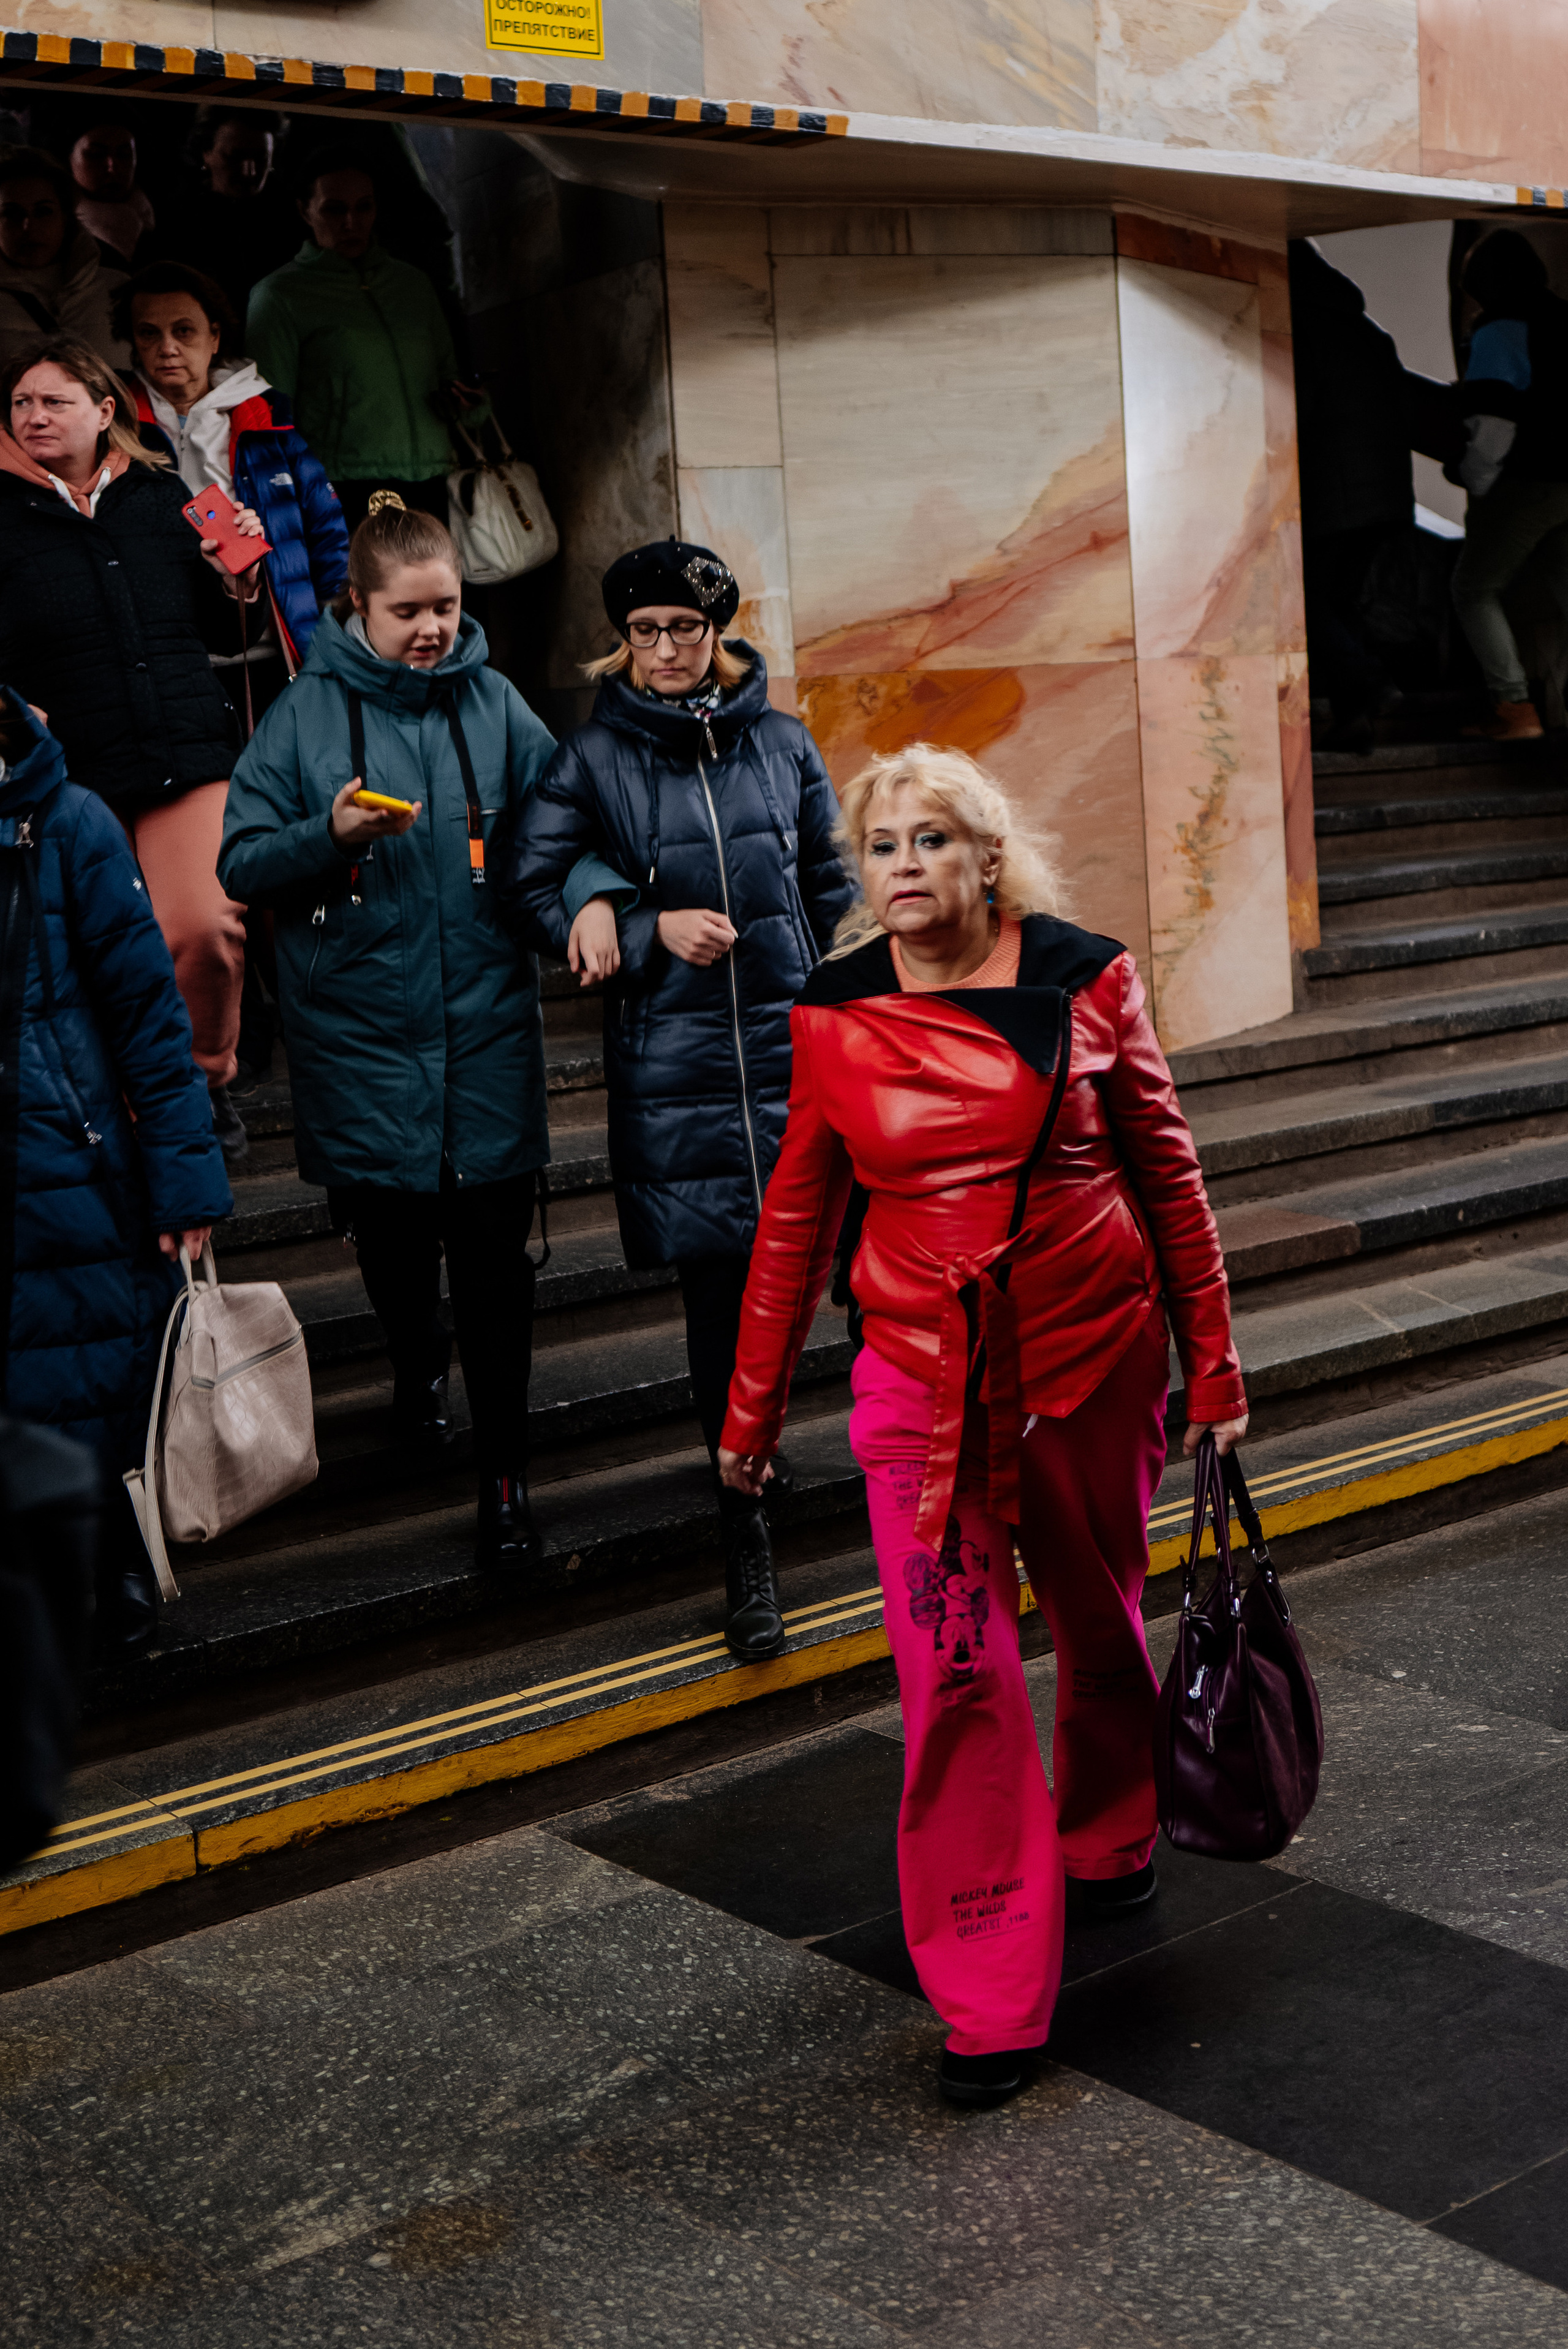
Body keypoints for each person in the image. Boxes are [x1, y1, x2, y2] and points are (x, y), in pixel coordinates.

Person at [716, 744, 1247, 2111]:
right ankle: (990, 1991)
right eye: (882, 845)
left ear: (985, 858)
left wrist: (1217, 1365)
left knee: (1095, 1616)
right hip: (915, 1382)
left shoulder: (1083, 978)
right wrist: (751, 1407)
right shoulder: (831, 1012)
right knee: (954, 1677)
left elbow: (1167, 1174)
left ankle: (1111, 1823)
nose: (903, 866)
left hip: (1085, 1352)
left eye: (931, 841)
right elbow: (795, 1217)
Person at [219, 496, 630, 1572]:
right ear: (360, 605)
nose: (433, 628)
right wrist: (328, 832)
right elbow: (240, 864)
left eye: (447, 606)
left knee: (496, 1269)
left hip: (487, 1034)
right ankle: (414, 1358)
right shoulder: (304, 717)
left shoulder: (495, 707)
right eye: (410, 611)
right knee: (397, 1251)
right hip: (357, 1038)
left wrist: (590, 897)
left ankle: (504, 1484)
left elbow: (564, 828)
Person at [503, 538, 855, 1662]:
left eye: (684, 632)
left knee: (836, 1283)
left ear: (717, 638)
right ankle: (744, 1537)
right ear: (624, 640)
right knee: (720, 1313)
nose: (663, 651)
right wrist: (644, 927)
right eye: (645, 632)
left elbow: (837, 888)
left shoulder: (785, 745)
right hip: (680, 1078)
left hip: (802, 1058)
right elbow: (524, 880)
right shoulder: (592, 758)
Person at [0, 687, 231, 1657]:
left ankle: (117, 1547)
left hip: (71, 1163)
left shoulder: (68, 820)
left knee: (93, 1376)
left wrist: (184, 1175)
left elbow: (146, 1011)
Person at [0, 335, 265, 1165]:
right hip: (66, 768)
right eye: (21, 404)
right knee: (92, 941)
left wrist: (240, 579)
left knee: (204, 925)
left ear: (105, 411)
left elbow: (225, 629)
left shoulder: (161, 495)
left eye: (54, 401)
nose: (34, 416)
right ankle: (123, 1096)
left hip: (185, 749)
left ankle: (202, 1082)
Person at [118, 261, 349, 674]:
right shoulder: (115, 428)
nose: (167, 347)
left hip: (274, 651)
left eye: (183, 330)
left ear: (215, 336)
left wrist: (335, 635)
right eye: (149, 333)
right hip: (169, 660)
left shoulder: (266, 421)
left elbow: (327, 532)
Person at [246, 145, 476, 533]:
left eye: (364, 207)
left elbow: (447, 373)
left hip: (434, 475)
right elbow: (269, 413)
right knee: (370, 594)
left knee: (438, 593)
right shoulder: (280, 296)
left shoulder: (412, 286)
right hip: (341, 485)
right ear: (305, 211)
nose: (352, 222)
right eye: (334, 209)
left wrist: (468, 403)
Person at [1289, 239, 1415, 755]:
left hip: (1331, 498)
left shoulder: (1299, 329)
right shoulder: (1369, 333)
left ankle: (1369, 683)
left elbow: (1297, 411)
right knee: (1343, 603)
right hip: (1384, 496)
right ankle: (1352, 720)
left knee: (1305, 602)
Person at [1449, 230, 1568, 744]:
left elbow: (1494, 424)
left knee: (1473, 589)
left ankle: (1514, 706)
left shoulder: (1500, 330)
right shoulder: (1565, 319)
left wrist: (1472, 480)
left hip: (1530, 480)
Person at [176, 107, 298, 328]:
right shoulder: (178, 220)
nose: (249, 172)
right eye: (234, 157)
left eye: (261, 159)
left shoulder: (292, 220)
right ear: (206, 152)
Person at [0, 145, 118, 369]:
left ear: (65, 217)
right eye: (11, 213)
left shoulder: (118, 291)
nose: (28, 226)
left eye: (43, 211)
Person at [69, 120, 155, 271]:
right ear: (70, 159)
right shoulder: (58, 229)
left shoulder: (167, 217)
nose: (112, 167)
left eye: (124, 155)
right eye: (96, 155)